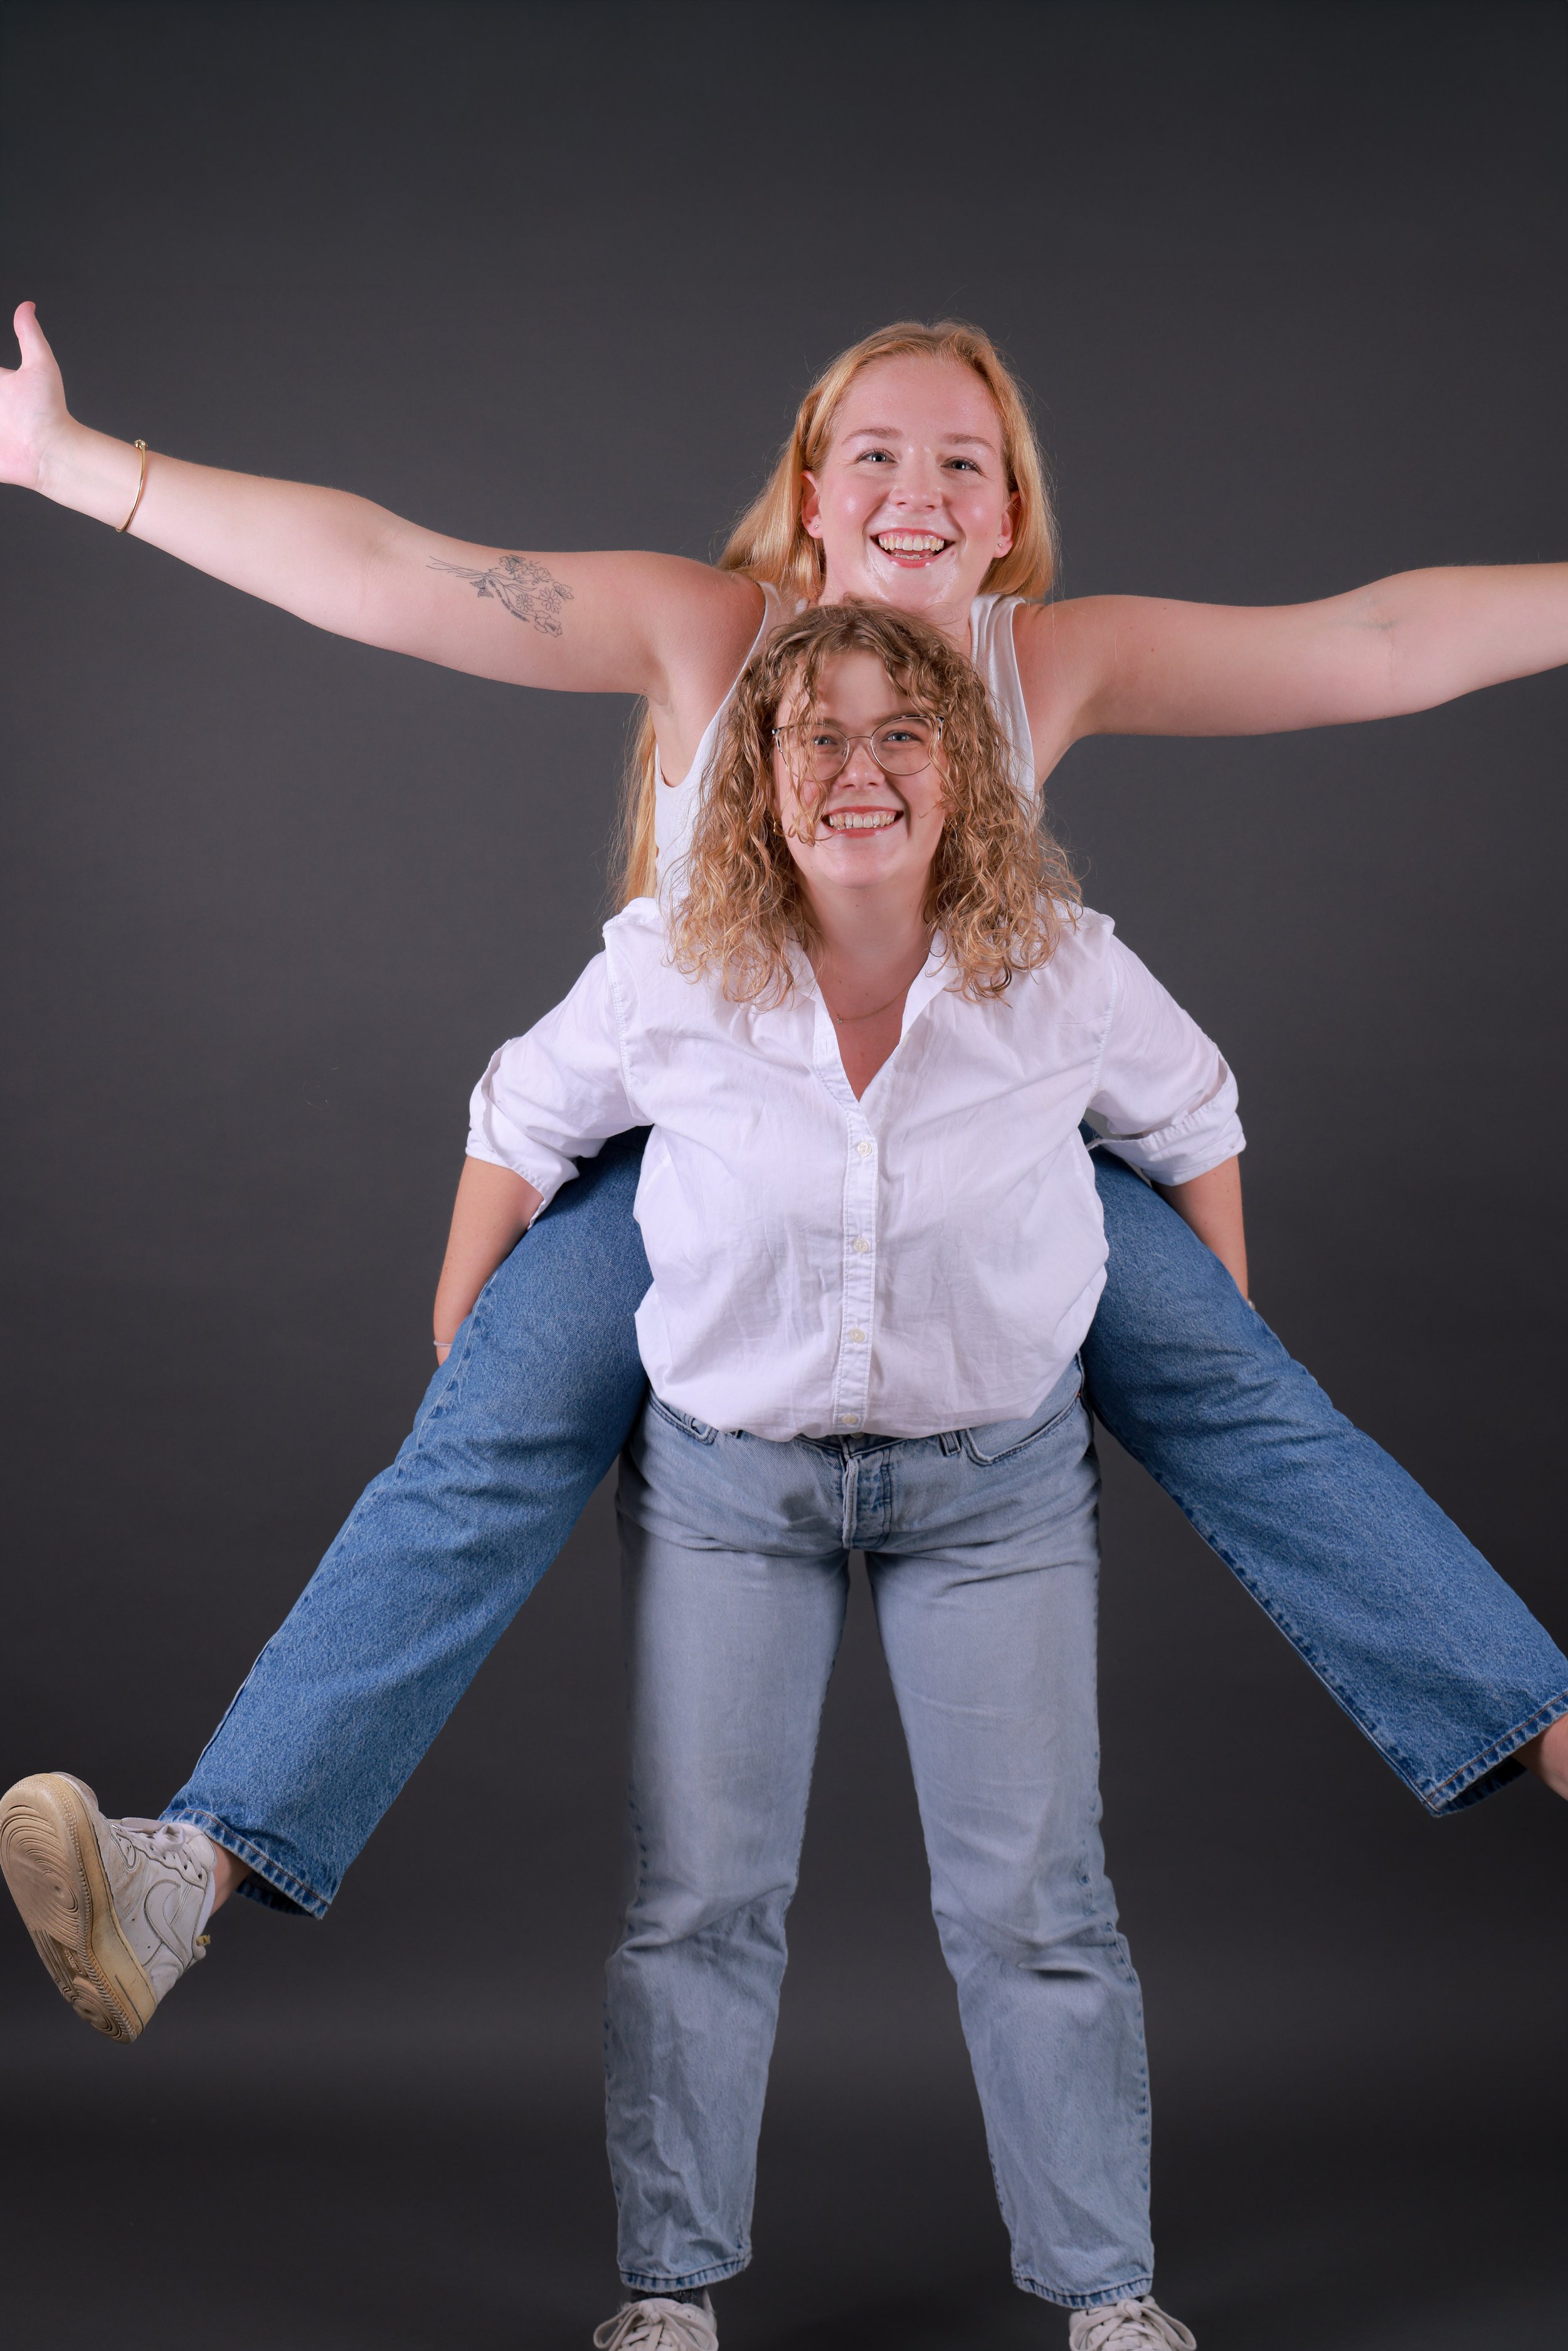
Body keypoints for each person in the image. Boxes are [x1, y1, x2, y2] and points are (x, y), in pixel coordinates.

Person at [2, 314, 1567, 2041]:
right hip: (703, 1164)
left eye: (961, 462)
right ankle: (192, 1869)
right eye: (877, 456)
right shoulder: (703, 632)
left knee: (1256, 1404)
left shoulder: (1040, 664)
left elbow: (1379, 637)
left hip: (975, 1157)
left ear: (1005, 516)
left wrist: (1194, 1311)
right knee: (479, 1438)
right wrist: (75, 466)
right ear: (813, 497)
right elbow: (397, 566)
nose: (918, 490)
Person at [476, 602, 1226, 2347]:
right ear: (757, 770)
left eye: (901, 733)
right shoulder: (674, 957)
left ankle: (1106, 2292)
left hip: (996, 1492)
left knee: (1034, 1901)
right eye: (813, 733)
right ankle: (668, 2289)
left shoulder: (1060, 962)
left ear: (958, 769)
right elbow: (517, 1116)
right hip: (733, 1488)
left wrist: (1204, 1349)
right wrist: (468, 1336)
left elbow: (1196, 1118)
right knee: (699, 1899)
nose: (857, 768)